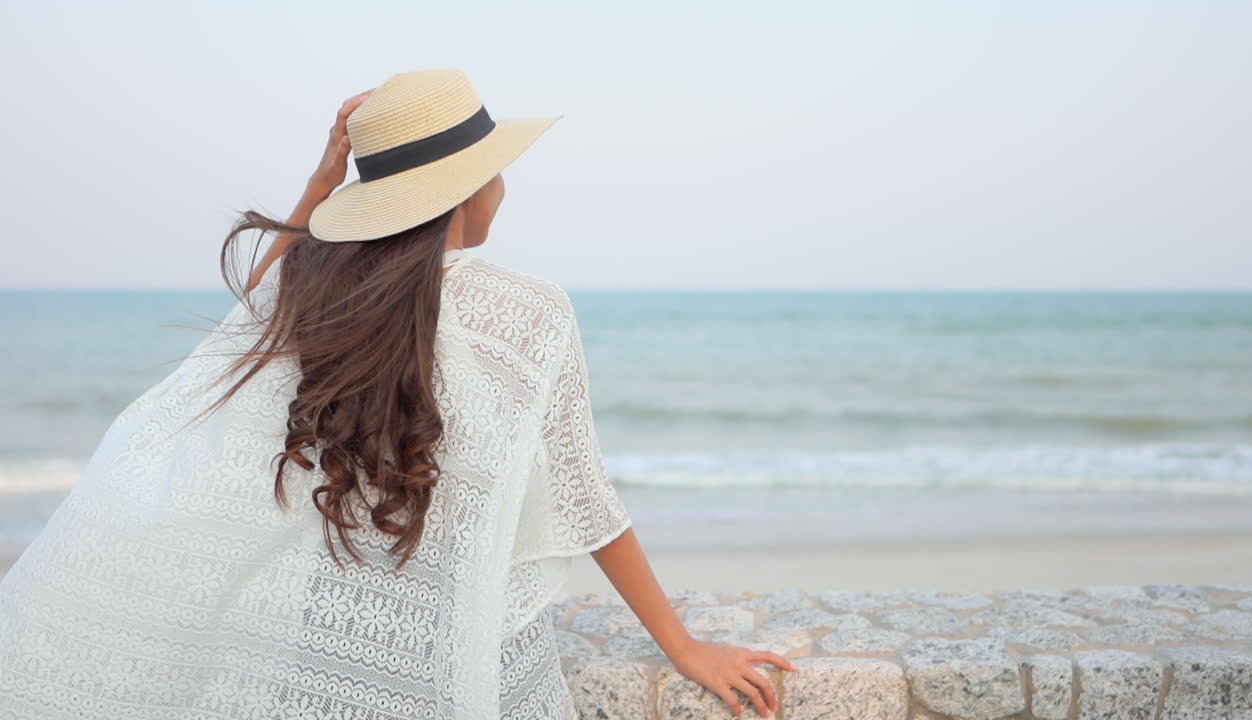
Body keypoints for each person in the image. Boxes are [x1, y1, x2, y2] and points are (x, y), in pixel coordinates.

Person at [0, 69, 793, 719]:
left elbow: (248, 312)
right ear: (471, 185)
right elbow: (586, 498)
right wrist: (683, 647)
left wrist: (320, 184)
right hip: (470, 651)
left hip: (318, 644)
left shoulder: (314, 295)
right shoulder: (528, 311)